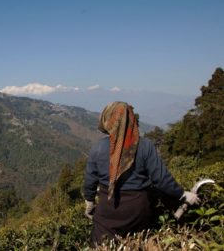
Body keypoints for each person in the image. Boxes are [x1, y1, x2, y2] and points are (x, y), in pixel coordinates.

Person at [83, 101, 200, 246]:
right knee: (137, 243)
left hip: (108, 209)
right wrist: (183, 194)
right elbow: (161, 179)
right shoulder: (145, 146)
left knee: (102, 245)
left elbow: (90, 181)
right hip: (138, 209)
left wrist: (89, 202)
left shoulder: (98, 148)